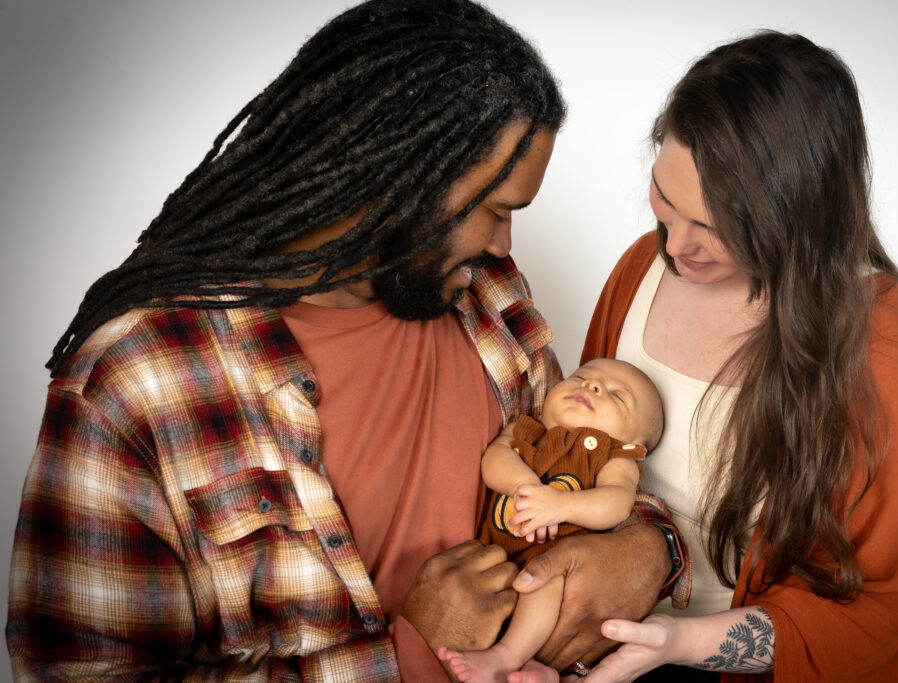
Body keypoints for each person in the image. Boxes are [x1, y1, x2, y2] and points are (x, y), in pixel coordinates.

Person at [5, 1, 681, 680]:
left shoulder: (486, 292)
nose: (505, 244)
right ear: (398, 175)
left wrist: (649, 546)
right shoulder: (135, 381)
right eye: (496, 211)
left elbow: (583, 463)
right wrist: (406, 658)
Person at [565, 31, 898, 682]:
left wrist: (675, 642)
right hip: (610, 643)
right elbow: (584, 452)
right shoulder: (639, 267)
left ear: (797, 218)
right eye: (666, 199)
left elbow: (878, 612)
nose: (676, 246)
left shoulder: (881, 351)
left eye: (715, 227)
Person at [439, 358, 664, 682]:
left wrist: (561, 505)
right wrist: (524, 487)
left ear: (636, 444)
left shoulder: (614, 455)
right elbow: (495, 459)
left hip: (554, 562)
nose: (592, 385)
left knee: (546, 580)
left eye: (617, 396)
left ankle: (508, 658)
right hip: (496, 556)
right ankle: (534, 668)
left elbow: (616, 503)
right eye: (581, 377)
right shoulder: (527, 429)